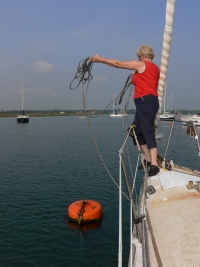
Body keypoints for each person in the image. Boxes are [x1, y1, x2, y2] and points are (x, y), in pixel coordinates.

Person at [89, 44, 160, 176]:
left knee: (147, 130)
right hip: (144, 102)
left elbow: (118, 64)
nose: (138, 59)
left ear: (142, 56)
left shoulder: (142, 64)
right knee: (136, 130)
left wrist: (101, 59)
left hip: (146, 101)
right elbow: (146, 79)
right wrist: (136, 74)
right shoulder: (154, 68)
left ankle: (154, 164)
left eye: (138, 57)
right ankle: (147, 159)